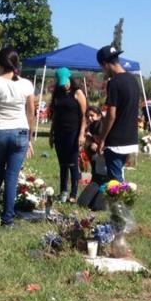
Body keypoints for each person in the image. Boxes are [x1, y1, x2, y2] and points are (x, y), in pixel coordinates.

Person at [0, 47, 36, 228]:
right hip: (20, 132)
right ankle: (8, 220)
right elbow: (30, 114)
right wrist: (30, 139)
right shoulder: (27, 85)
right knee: (12, 178)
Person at [94, 45, 139, 181]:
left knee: (115, 182)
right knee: (118, 176)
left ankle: (120, 202)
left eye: (102, 67)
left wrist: (102, 138)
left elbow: (111, 115)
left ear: (105, 64)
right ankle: (117, 201)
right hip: (131, 137)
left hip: (116, 141)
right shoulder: (133, 80)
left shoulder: (114, 83)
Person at [49, 67, 87, 203]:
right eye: (61, 83)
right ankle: (63, 191)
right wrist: (51, 134)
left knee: (72, 163)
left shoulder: (78, 93)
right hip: (59, 132)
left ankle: (73, 194)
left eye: (65, 82)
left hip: (73, 132)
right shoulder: (58, 93)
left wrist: (82, 134)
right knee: (62, 164)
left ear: (70, 79)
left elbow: (84, 116)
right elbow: (55, 115)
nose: (64, 85)